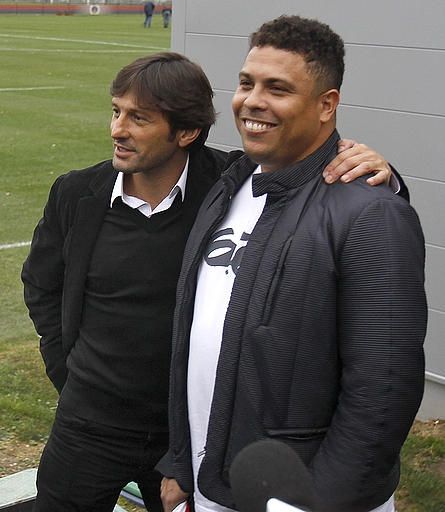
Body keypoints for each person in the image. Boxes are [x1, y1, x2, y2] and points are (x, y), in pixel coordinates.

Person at [22, 52, 401, 512]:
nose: (118, 129)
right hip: (89, 424)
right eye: (116, 111)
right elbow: (41, 286)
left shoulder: (234, 185)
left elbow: (320, 188)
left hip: (185, 434)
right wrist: (68, 371)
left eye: (139, 118)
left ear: (186, 132)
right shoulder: (76, 193)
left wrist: (381, 172)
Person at [160, 16, 427, 512]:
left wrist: (314, 502)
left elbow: (383, 392)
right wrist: (181, 463)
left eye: (277, 88)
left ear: (327, 104)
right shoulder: (230, 184)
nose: (252, 101)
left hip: (300, 498)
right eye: (247, 83)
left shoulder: (372, 214)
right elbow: (193, 341)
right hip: (213, 486)